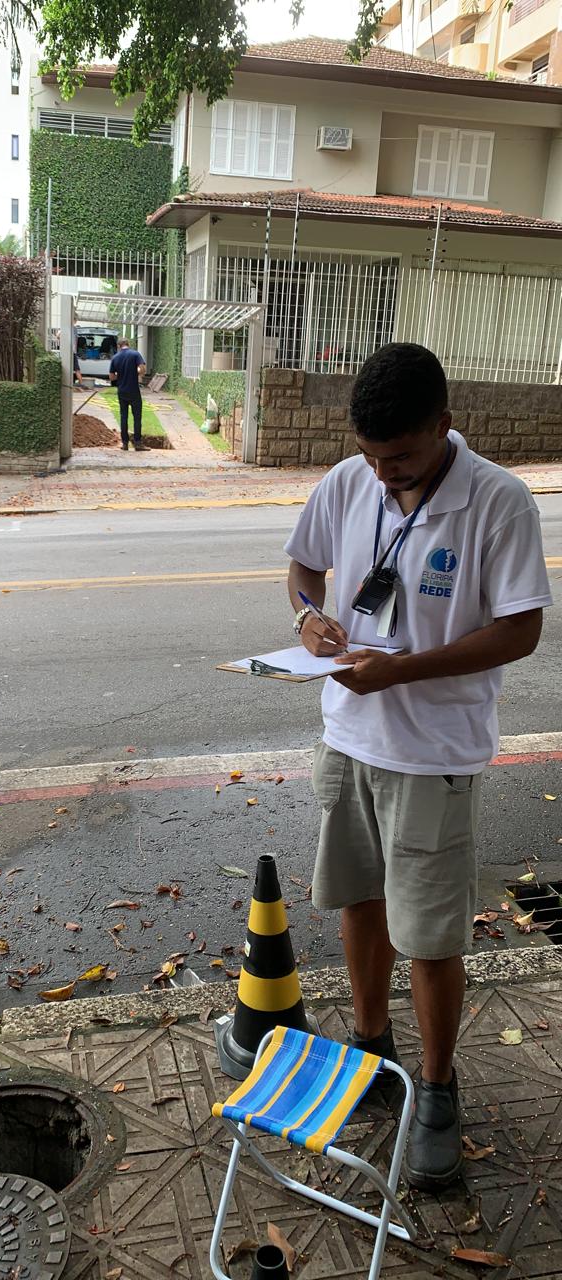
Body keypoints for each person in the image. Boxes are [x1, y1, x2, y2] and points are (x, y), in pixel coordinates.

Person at [284, 343, 550, 1191]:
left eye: (397, 457)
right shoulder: (349, 478)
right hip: (348, 737)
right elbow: (302, 570)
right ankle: (372, 1048)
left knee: (430, 936)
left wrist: (400, 668)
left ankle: (436, 1088)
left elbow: (520, 630)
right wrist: (309, 621)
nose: (380, 471)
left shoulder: (498, 503)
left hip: (432, 755)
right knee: (358, 901)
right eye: (369, 454)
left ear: (443, 423)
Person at [109, 338, 147, 451]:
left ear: (119, 346)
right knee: (137, 417)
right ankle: (138, 443)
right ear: (128, 344)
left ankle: (125, 443)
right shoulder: (135, 354)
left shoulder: (115, 357)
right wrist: (136, 372)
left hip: (122, 391)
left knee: (123, 416)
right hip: (134, 390)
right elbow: (143, 369)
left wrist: (120, 376)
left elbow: (111, 377)